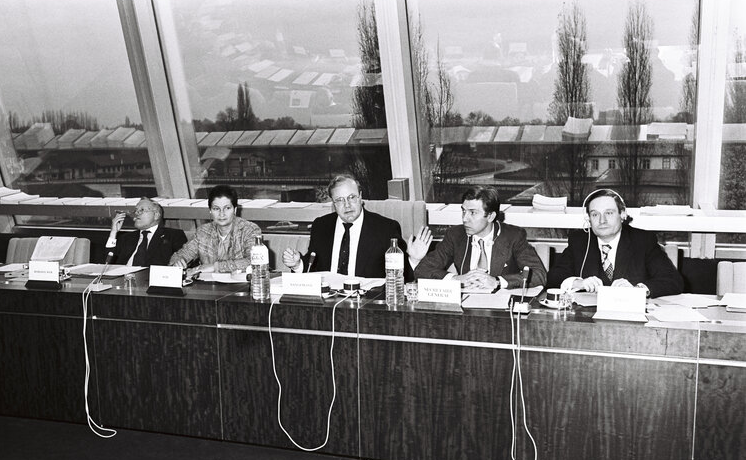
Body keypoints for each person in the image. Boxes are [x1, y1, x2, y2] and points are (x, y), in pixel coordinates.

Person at [281, 174, 433, 280]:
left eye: (351, 197)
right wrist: (297, 264)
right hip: (327, 302)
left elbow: (401, 275)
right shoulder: (321, 226)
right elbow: (312, 267)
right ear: (333, 204)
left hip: (366, 306)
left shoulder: (386, 228)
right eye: (339, 200)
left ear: (360, 197)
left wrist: (413, 259)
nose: (347, 205)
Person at [547, 188, 683, 298]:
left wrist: (638, 290)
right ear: (588, 219)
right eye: (595, 214)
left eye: (609, 213)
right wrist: (578, 283)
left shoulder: (643, 240)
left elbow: (673, 281)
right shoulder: (580, 240)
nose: (602, 220)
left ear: (622, 214)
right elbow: (553, 277)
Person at [415, 186, 546, 291]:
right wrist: (456, 279)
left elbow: (539, 275)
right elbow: (422, 270)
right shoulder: (455, 235)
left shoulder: (514, 236)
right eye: (463, 211)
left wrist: (496, 282)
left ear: (490, 216)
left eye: (473, 213)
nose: (464, 218)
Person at [170, 185, 260, 273]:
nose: (222, 214)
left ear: (235, 210)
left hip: (241, 286)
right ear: (210, 211)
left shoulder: (250, 230)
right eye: (216, 209)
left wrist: (215, 267)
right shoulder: (203, 232)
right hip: (209, 286)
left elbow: (254, 262)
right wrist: (178, 261)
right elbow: (180, 255)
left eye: (227, 208)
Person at [105, 197, 187, 266]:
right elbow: (107, 264)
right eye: (136, 210)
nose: (136, 213)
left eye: (142, 210)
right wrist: (113, 232)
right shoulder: (126, 238)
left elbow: (182, 262)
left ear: (156, 215)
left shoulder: (174, 236)